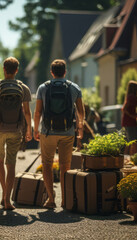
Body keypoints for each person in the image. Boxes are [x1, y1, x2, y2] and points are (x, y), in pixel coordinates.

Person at [33, 59, 85, 208]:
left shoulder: (43, 87)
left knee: (47, 164)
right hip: (67, 132)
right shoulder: (74, 87)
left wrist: (36, 129)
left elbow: (37, 112)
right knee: (65, 166)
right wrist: (80, 127)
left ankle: (51, 199)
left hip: (48, 132)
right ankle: (65, 199)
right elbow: (81, 111)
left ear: (51, 72)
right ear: (65, 71)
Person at [0, 57, 32, 210]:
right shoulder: (23, 88)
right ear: (17, 70)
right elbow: (27, 112)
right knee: (11, 166)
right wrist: (29, 130)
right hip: (16, 130)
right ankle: (8, 200)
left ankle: (4, 193)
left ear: (4, 69)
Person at [121, 80, 137, 155]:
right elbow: (124, 109)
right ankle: (132, 157)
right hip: (130, 122)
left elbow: (129, 110)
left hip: (128, 122)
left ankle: (126, 158)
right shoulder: (132, 97)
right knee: (133, 141)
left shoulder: (129, 97)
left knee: (129, 141)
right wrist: (132, 116)